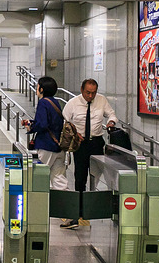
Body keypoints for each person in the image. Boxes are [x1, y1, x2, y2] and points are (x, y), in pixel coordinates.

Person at [60, 78, 118, 229]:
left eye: (93, 93)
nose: (91, 96)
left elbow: (111, 114)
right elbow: (64, 121)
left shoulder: (101, 100)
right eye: (88, 93)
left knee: (97, 175)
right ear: (81, 90)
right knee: (80, 176)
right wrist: (73, 133)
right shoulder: (73, 103)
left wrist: (111, 122)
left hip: (96, 142)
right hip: (80, 144)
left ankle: (92, 205)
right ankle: (79, 210)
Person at [24, 76, 67, 191]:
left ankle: (40, 204)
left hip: (46, 145)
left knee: (41, 176)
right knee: (59, 178)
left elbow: (42, 124)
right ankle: (64, 203)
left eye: (38, 86)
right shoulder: (55, 102)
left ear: (42, 89)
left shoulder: (43, 103)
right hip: (58, 146)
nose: (36, 88)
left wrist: (31, 127)